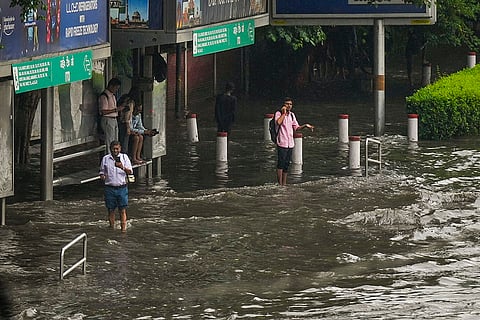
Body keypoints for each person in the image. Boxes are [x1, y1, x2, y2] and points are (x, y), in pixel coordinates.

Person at [274, 97, 314, 186]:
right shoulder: (278, 113)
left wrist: (305, 126)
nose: (289, 106)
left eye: (290, 104)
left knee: (287, 164)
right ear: (283, 105)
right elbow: (278, 123)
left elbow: (296, 128)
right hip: (282, 141)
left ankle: (284, 183)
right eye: (287, 104)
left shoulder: (292, 115)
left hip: (290, 143)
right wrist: (283, 113)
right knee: (281, 163)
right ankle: (280, 183)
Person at [99, 140, 133, 232]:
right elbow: (102, 171)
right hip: (109, 187)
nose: (115, 151)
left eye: (117, 149)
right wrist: (102, 176)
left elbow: (130, 172)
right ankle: (111, 228)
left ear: (120, 149)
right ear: (110, 149)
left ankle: (123, 230)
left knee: (122, 209)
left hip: (122, 187)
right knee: (111, 209)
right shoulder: (106, 158)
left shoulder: (124, 157)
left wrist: (122, 167)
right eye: (113, 149)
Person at [99, 78, 122, 153]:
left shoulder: (113, 96)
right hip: (107, 119)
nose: (116, 90)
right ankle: (109, 157)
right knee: (110, 140)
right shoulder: (104, 96)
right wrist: (116, 110)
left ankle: (116, 157)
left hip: (114, 119)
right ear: (111, 86)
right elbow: (103, 111)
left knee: (115, 140)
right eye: (116, 88)